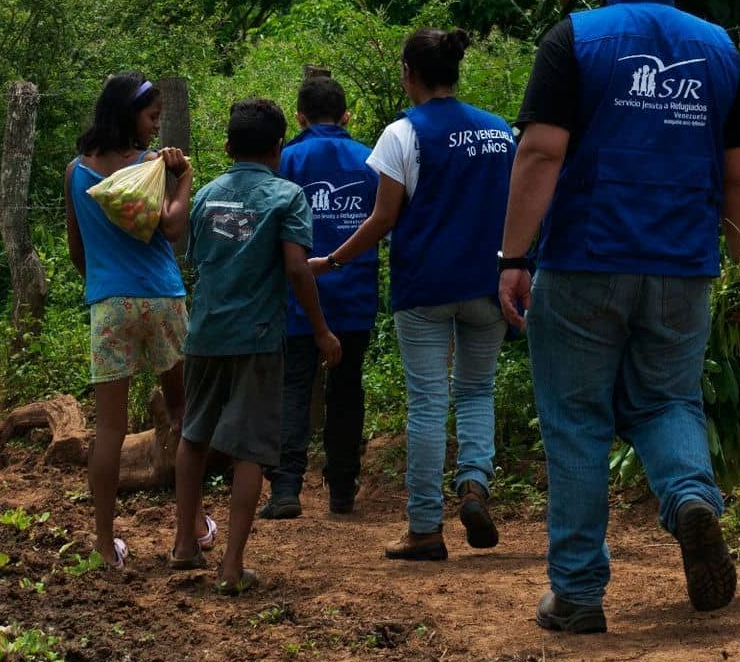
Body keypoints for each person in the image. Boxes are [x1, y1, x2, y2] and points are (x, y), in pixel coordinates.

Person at [497, 0, 740, 634]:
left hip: (585, 260)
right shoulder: (719, 48)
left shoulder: (574, 39)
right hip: (683, 267)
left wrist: (514, 256)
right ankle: (688, 498)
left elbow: (541, 153)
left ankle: (579, 593)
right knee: (669, 401)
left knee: (577, 421)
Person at [309, 29, 514, 562]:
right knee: (476, 390)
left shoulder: (403, 134)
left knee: (427, 401)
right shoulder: (500, 134)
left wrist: (332, 260)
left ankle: (425, 528)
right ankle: (473, 486)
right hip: (488, 284)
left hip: (424, 285)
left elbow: (383, 218)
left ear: (408, 73)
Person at [172, 98, 342, 594]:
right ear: (279, 147)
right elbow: (291, 266)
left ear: (227, 147)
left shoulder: (204, 196)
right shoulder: (287, 196)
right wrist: (320, 329)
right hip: (259, 338)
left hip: (203, 334)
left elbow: (208, 258)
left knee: (194, 434)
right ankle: (230, 567)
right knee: (250, 447)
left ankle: (184, 545)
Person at [63, 72, 208, 570]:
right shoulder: (151, 167)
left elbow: (75, 249)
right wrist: (184, 177)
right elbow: (171, 229)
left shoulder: (77, 173)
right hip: (163, 300)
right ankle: (191, 528)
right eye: (151, 117)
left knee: (109, 431)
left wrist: (105, 281)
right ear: (130, 115)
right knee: (183, 415)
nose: (156, 125)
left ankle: (105, 546)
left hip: (110, 306)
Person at [261, 71, 379, 519]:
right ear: (346, 115)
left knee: (292, 388)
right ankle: (343, 490)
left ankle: (286, 487)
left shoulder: (286, 161)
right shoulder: (369, 160)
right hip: (354, 296)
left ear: (300, 117)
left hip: (295, 297)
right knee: (347, 390)